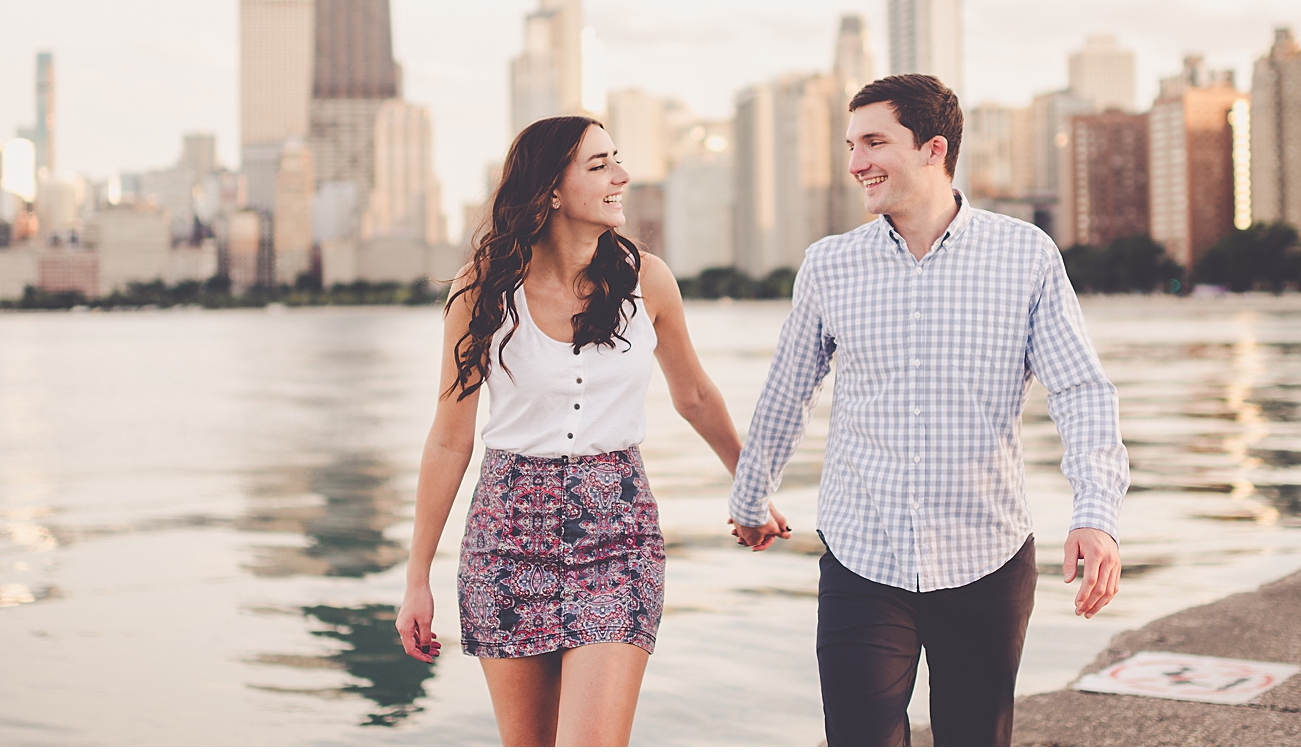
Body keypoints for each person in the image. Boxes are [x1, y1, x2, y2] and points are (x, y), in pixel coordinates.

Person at [728, 73, 1128, 748]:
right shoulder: (828, 265)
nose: (856, 162)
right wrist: (750, 492)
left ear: (933, 148)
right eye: (851, 144)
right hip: (863, 556)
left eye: (875, 141)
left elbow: (1080, 389)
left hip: (987, 558)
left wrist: (1096, 513)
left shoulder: (1024, 255)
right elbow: (786, 390)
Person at [397, 114, 787, 747]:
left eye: (618, 160)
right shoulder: (484, 291)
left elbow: (693, 394)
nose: (622, 176)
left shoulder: (648, 280)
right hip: (507, 537)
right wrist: (417, 579)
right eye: (600, 165)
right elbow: (449, 439)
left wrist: (753, 485)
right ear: (552, 189)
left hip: (618, 535)